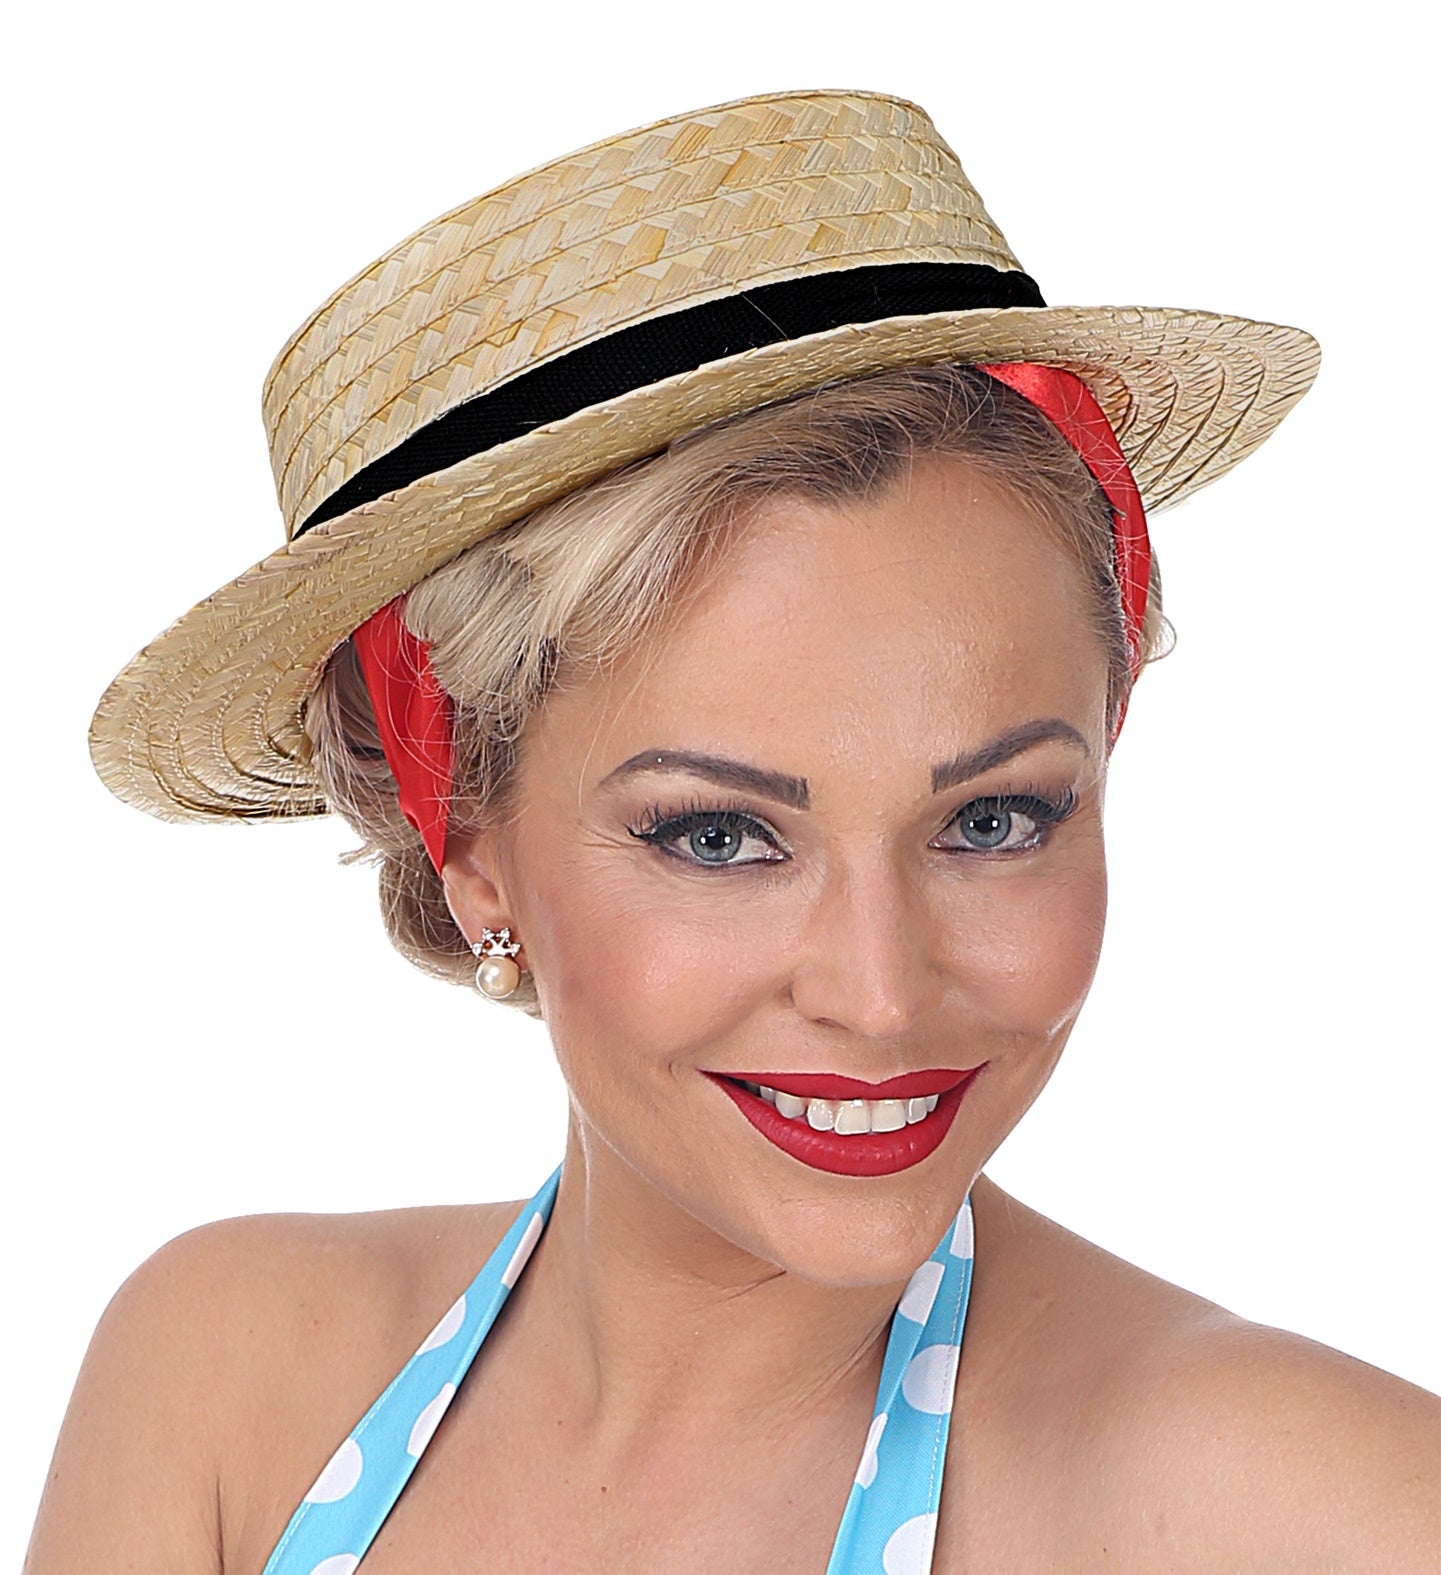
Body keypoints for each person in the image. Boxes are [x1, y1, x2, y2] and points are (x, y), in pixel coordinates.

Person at [26, 89, 1438, 1574]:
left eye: (992, 818)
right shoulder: (229, 1385)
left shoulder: (1314, 1513)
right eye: (718, 838)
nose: (879, 994)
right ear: (469, 843)